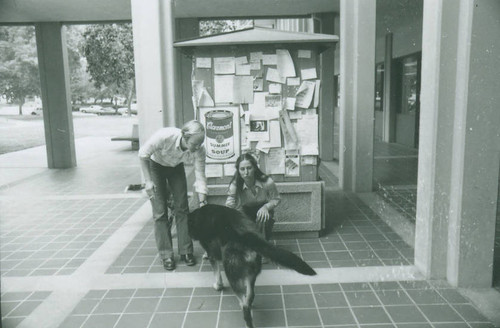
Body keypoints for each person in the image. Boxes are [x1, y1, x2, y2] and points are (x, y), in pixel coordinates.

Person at [139, 120, 208, 271]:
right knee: (160, 211)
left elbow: (200, 176)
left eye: (200, 144)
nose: (197, 147)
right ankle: (166, 254)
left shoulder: (199, 150)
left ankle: (186, 251)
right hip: (155, 166)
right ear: (185, 136)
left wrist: (203, 202)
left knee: (182, 207)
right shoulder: (165, 136)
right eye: (194, 144)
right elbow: (143, 154)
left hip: (176, 167)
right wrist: (148, 181)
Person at [225, 153, 280, 242]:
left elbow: (276, 198)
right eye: (242, 169)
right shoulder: (235, 184)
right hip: (244, 210)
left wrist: (266, 207)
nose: (246, 172)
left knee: (263, 217)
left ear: (254, 168)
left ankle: (262, 247)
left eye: (249, 168)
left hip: (263, 209)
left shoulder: (267, 181)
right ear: (238, 170)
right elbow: (229, 205)